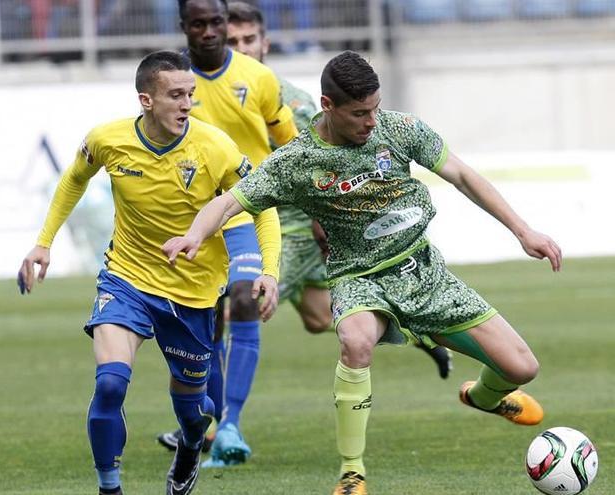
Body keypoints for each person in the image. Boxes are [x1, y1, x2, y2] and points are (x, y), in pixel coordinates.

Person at [163, 50, 563, 495]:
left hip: (423, 271)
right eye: (359, 113)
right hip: (359, 278)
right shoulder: (297, 161)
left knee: (523, 368)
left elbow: (464, 177)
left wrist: (524, 231)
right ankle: (352, 471)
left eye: (374, 108)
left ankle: (482, 397)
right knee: (354, 342)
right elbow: (230, 200)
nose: (371, 121)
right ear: (328, 106)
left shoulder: (400, 128)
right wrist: (195, 235)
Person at [17, 50, 278, 495]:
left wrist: (268, 270)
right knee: (112, 383)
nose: (187, 104)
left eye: (190, 94)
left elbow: (261, 204)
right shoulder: (108, 139)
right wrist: (44, 241)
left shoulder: (214, 147)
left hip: (193, 295)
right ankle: (109, 487)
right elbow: (74, 178)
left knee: (194, 413)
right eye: (176, 95)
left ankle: (192, 447)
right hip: (127, 280)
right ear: (146, 100)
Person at [227, 0, 454, 376]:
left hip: (292, 227)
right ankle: (418, 334)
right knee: (319, 316)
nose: (242, 49)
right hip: (249, 219)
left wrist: (322, 218)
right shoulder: (212, 94)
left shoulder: (292, 101)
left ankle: (208, 423)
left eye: (249, 39)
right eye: (232, 41)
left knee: (233, 310)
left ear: (265, 44)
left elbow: (322, 161)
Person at [155, 0, 299, 468]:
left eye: (217, 22)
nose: (211, 31)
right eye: (200, 24)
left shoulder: (258, 79)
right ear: (185, 29)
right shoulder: (172, 83)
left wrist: (318, 211)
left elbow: (291, 147)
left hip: (248, 209)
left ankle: (231, 422)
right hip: (194, 217)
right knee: (206, 320)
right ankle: (208, 421)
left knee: (243, 299)